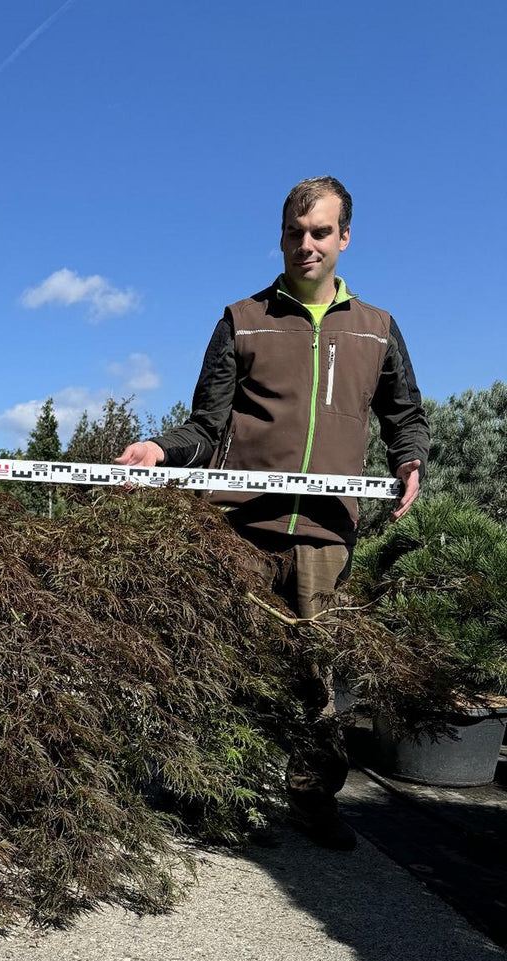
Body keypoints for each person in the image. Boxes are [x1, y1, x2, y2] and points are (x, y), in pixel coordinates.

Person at [116, 175, 430, 850]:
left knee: (313, 674)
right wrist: (160, 450)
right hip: (239, 528)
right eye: (295, 232)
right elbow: (206, 423)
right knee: (227, 667)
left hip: (324, 535)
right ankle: (215, 793)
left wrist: (410, 459)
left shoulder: (378, 330)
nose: (306, 244)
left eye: (320, 232)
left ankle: (313, 801)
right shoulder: (241, 318)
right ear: (281, 237)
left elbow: (404, 415)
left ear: (345, 237)